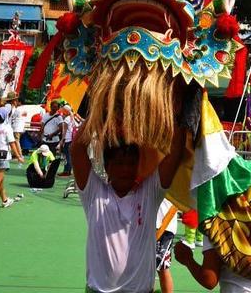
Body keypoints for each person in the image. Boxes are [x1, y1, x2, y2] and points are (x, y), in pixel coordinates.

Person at [71, 119, 183, 293]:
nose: (125, 170)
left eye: (131, 164)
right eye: (119, 164)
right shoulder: (94, 193)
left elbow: (175, 150)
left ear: (138, 167)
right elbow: (77, 149)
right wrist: (100, 113)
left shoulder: (149, 193)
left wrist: (175, 114)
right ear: (107, 167)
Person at [155, 198, 177, 293]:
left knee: (162, 267)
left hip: (163, 226)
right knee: (148, 267)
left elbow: (178, 202)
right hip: (148, 224)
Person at [58, 105, 75, 177]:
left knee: (66, 156)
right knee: (69, 156)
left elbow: (64, 132)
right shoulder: (72, 118)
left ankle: (66, 171)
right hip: (71, 139)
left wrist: (62, 140)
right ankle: (69, 170)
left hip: (67, 139)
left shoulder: (66, 119)